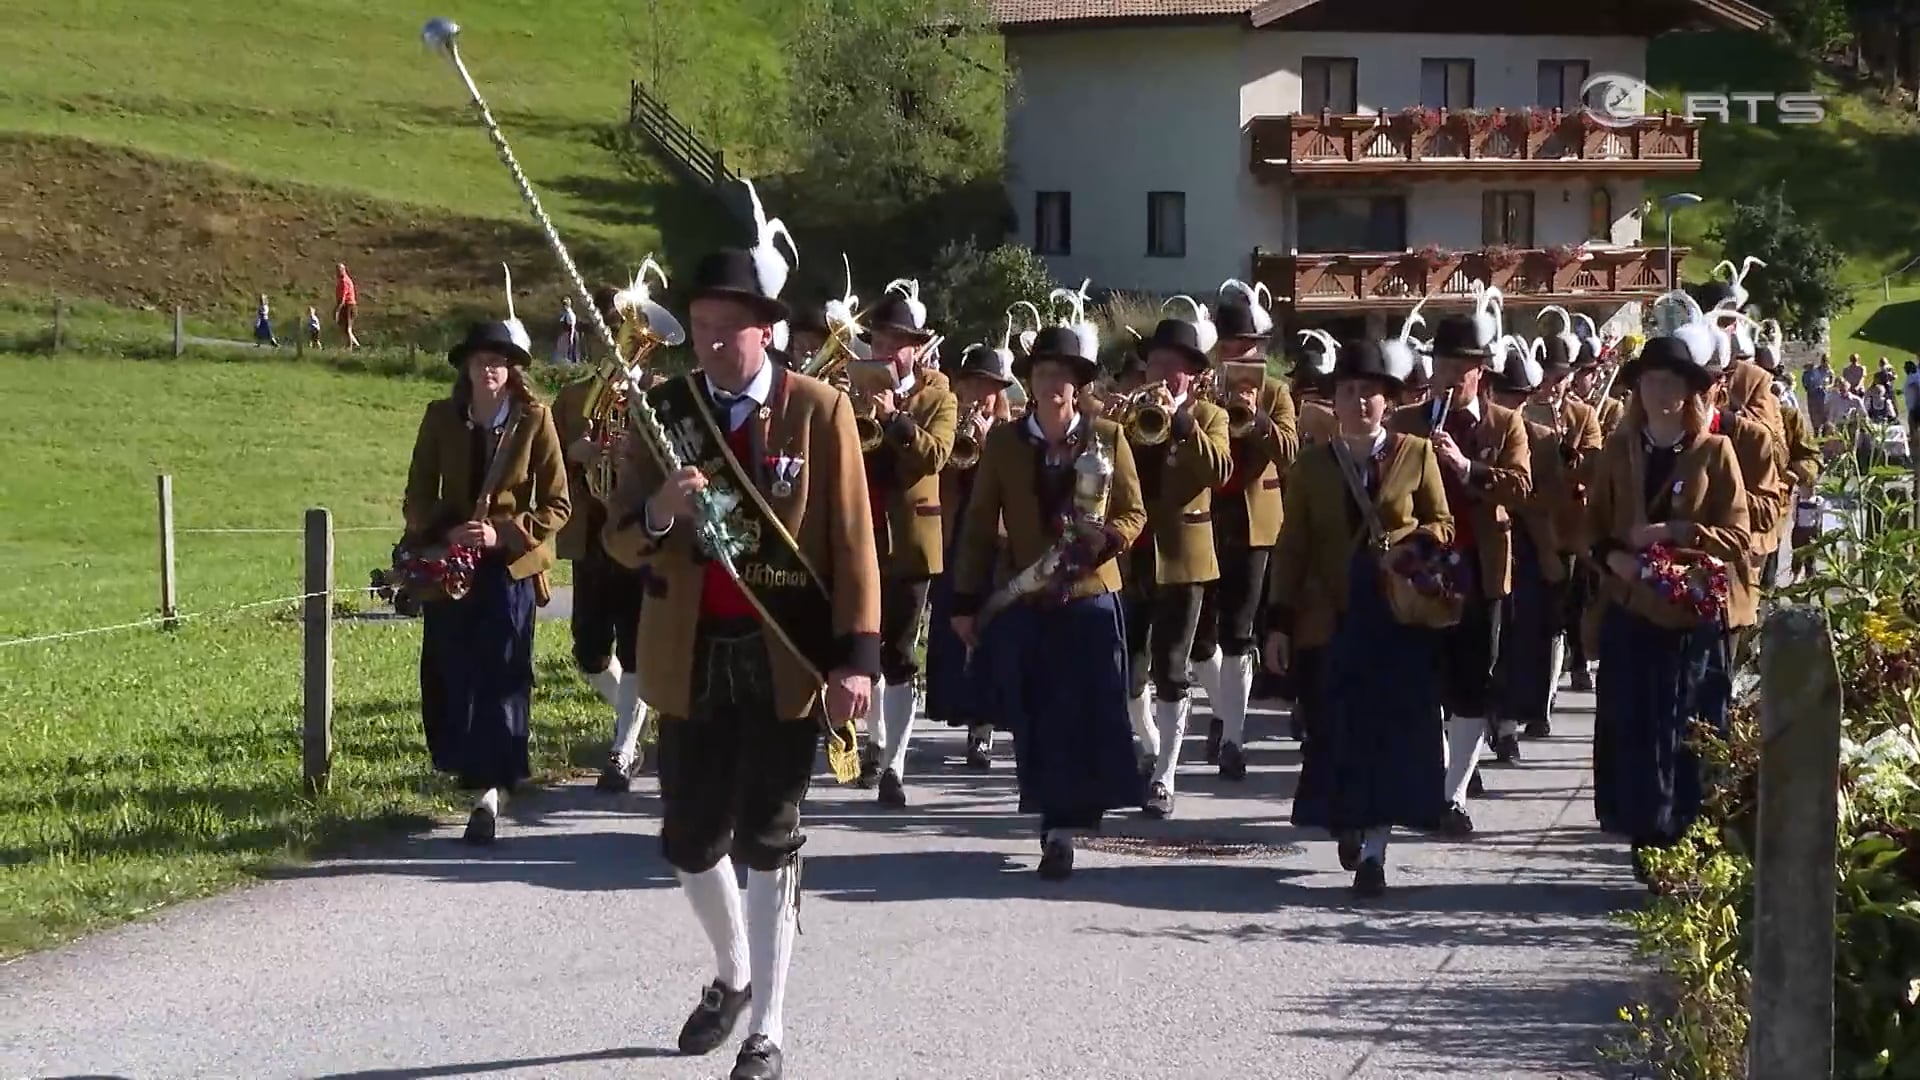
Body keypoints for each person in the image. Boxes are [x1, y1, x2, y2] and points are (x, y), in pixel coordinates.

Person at [601, 241, 881, 1080]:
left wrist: (857, 658)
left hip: (784, 655)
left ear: (768, 331)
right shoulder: (666, 410)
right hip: (689, 654)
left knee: (769, 837)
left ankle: (769, 1028)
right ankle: (733, 975)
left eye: (729, 328)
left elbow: (854, 542)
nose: (713, 343)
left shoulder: (819, 411)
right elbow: (618, 538)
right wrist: (658, 509)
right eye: (701, 328)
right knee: (688, 840)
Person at [950, 323, 1148, 877]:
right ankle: (1053, 821)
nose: (1053, 385)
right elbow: (979, 526)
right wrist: (965, 601)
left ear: (1078, 385)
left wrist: (1103, 542)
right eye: (1043, 375)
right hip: (1030, 599)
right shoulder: (1004, 442)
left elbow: (1134, 513)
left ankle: (1074, 814)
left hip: (1090, 597)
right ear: (1029, 383)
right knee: (1036, 712)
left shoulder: (1107, 435)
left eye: (1063, 377)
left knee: (1090, 710)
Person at [1268, 335, 1453, 896]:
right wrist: (1278, 620)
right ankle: (1348, 820)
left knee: (1389, 734)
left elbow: (1442, 526)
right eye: (1348, 392)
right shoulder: (1312, 465)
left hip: (1395, 619)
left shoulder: (1415, 454)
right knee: (1335, 730)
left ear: (1387, 402)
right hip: (1332, 619)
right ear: (1334, 402)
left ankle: (1376, 847)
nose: (1359, 402)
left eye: (1371, 393)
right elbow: (1291, 544)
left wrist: (1405, 543)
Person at [1587, 322, 1749, 887]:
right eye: (1652, 380)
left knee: (1690, 724)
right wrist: (1615, 560)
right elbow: (1591, 530)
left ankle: (1690, 835)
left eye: (1673, 381)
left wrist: (1674, 532)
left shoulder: (1715, 451)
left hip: (1691, 618)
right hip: (1632, 612)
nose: (1662, 391)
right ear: (1639, 389)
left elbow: (1738, 535)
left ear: (1690, 390)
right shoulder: (1616, 450)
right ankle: (1644, 836)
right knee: (1634, 724)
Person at [403, 318, 571, 843]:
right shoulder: (439, 418)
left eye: (500, 361)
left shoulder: (535, 421)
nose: (490, 369)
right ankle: (468, 771)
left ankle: (491, 793)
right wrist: (445, 528)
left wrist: (504, 534)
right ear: (467, 368)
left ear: (513, 370)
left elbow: (558, 504)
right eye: (481, 361)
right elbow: (415, 496)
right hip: (450, 566)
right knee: (449, 670)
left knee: (502, 673)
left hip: (507, 571)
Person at [1387, 296, 1532, 836]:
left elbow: (1520, 488)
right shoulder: (1405, 421)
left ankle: (1453, 795)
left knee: (1473, 681)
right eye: (1443, 366)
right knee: (1424, 679)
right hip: (1421, 567)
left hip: (1480, 565)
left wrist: (1466, 466)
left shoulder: (1505, 424)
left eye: (1461, 368)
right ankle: (1429, 782)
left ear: (1481, 371)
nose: (1450, 377)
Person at [1123, 314, 1233, 819]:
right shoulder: (1130, 412)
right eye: (1156, 364)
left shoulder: (1210, 416)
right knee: (1130, 671)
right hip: (1133, 553)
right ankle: (1147, 746)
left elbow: (1221, 470)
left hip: (1185, 558)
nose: (1163, 374)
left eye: (1174, 367)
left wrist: (1181, 422)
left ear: (1193, 375)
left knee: (1172, 667)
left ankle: (1166, 774)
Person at [853, 280, 958, 806]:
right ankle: (871, 746)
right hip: (859, 533)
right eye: (879, 340)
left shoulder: (939, 396)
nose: (887, 350)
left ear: (918, 347)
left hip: (912, 540)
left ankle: (894, 762)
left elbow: (935, 457)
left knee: (898, 651)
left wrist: (894, 417)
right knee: (862, 644)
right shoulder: (851, 387)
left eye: (899, 342)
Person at [1191, 291, 1298, 779]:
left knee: (1238, 633)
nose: (1245, 355)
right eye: (1235, 345)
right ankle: (1222, 710)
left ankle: (1233, 737)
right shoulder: (1199, 390)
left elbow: (1292, 449)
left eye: (1252, 346)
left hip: (1254, 523)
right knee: (1199, 637)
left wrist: (1256, 420)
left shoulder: (1276, 392)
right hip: (1205, 516)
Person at [550, 286, 654, 791]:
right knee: (590, 651)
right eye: (608, 332)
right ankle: (635, 717)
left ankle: (623, 748)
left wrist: (630, 454)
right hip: (590, 535)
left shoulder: (655, 397)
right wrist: (576, 454)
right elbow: (544, 469)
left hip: (637, 534)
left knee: (635, 646)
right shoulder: (571, 399)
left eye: (626, 334)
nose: (615, 342)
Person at [924, 343, 1016, 768]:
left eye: (990, 388)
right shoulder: (947, 421)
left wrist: (987, 445)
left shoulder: (1008, 431)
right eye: (974, 385)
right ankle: (956, 709)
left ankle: (983, 729)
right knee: (949, 626)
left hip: (990, 543)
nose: (982, 395)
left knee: (990, 631)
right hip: (951, 534)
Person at [1484, 338, 1566, 758]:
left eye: (1517, 397)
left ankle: (1510, 724)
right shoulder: (1473, 430)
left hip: (1529, 547)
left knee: (1523, 640)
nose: (1510, 404)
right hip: (1484, 544)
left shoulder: (1544, 438)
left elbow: (1549, 497)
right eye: (1503, 394)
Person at [334, 263, 362, 350]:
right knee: (345, 329)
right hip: (347, 306)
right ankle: (357, 347)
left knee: (347, 329)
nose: (337, 273)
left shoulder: (344, 281)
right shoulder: (344, 281)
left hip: (348, 306)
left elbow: (343, 298)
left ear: (343, 270)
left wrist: (337, 310)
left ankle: (349, 348)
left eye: (339, 271)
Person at [553, 296, 579, 365]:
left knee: (571, 352)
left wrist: (570, 338)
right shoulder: (564, 314)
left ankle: (573, 366)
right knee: (562, 352)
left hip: (569, 334)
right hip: (564, 335)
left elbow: (572, 327)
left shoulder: (570, 314)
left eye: (565, 304)